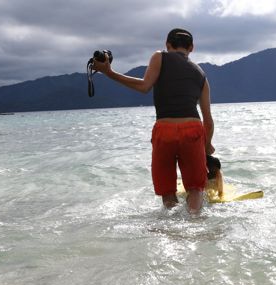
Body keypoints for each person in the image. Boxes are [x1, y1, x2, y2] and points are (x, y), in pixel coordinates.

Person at [92, 28, 214, 213]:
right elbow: (208, 119)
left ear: (167, 45)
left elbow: (144, 86)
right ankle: (195, 227)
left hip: (165, 130)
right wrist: (207, 145)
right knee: (196, 189)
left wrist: (109, 72)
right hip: (193, 129)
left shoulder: (160, 56)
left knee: (167, 191)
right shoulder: (201, 74)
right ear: (191, 48)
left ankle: (171, 231)